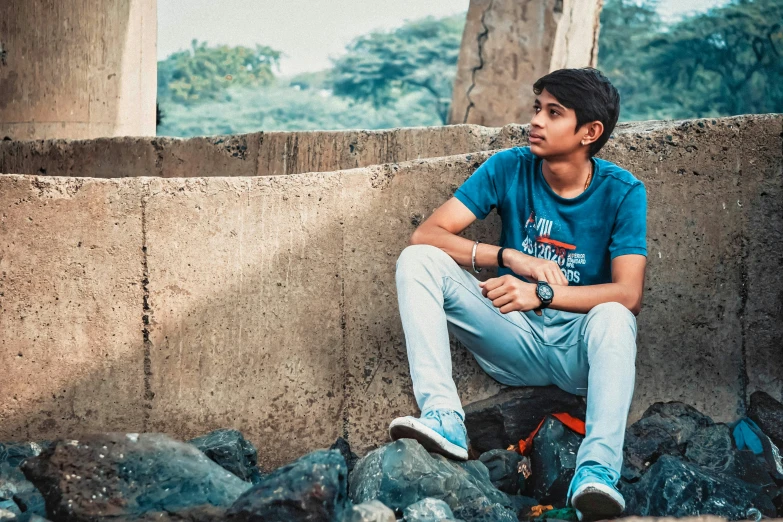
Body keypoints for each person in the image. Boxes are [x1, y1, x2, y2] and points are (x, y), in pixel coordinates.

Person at [388, 68, 647, 521]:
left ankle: (597, 473)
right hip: (511, 336)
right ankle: (444, 418)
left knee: (614, 317)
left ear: (590, 132)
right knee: (417, 260)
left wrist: (540, 294)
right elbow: (426, 234)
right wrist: (509, 255)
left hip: (578, 352)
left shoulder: (622, 191)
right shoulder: (509, 167)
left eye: (554, 113)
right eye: (536, 109)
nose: (536, 122)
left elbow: (629, 294)